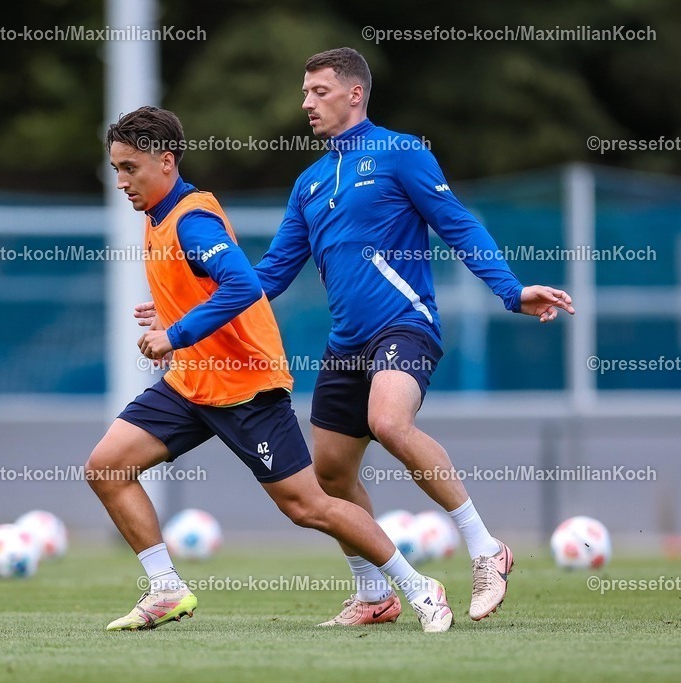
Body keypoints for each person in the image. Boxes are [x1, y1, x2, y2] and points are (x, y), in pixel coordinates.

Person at [137, 48, 575, 625]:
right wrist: (190, 312)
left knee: (389, 423)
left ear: (354, 94)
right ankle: (374, 596)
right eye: (304, 92)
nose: (306, 103)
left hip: (405, 324)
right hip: (346, 345)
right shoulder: (309, 184)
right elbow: (267, 277)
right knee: (331, 474)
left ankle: (485, 548)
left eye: (319, 91)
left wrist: (511, 290)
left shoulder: (401, 152)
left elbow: (459, 225)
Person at [88, 105, 454, 633]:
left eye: (130, 168)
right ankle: (166, 588)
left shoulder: (191, 219)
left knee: (309, 506)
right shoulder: (157, 217)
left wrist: (173, 333)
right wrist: (172, 315)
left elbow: (241, 286)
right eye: (116, 168)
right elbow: (205, 289)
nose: (121, 181)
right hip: (192, 381)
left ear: (166, 161)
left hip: (244, 385)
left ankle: (419, 587)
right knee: (107, 467)